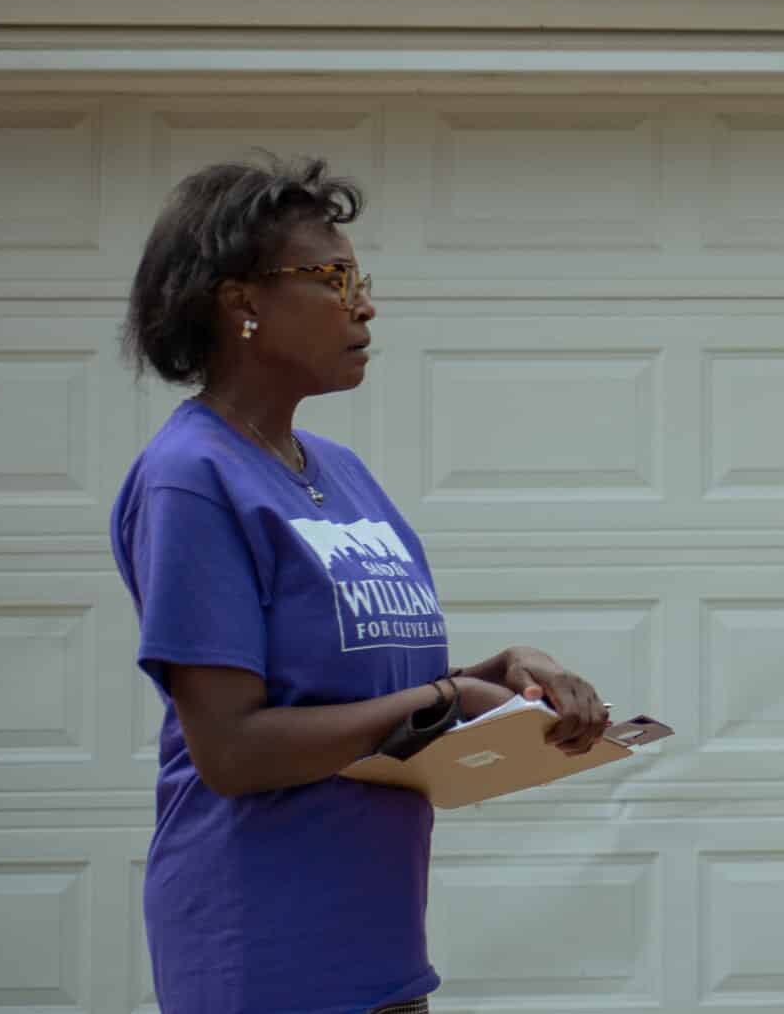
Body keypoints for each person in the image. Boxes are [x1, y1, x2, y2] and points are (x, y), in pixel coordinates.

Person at [110, 157, 609, 1014]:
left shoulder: (340, 474)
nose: (364, 304)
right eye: (333, 278)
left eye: (359, 278)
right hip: (263, 952)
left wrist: (506, 676)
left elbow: (372, 696)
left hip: (379, 946)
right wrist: (447, 694)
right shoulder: (191, 477)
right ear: (242, 301)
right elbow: (231, 752)